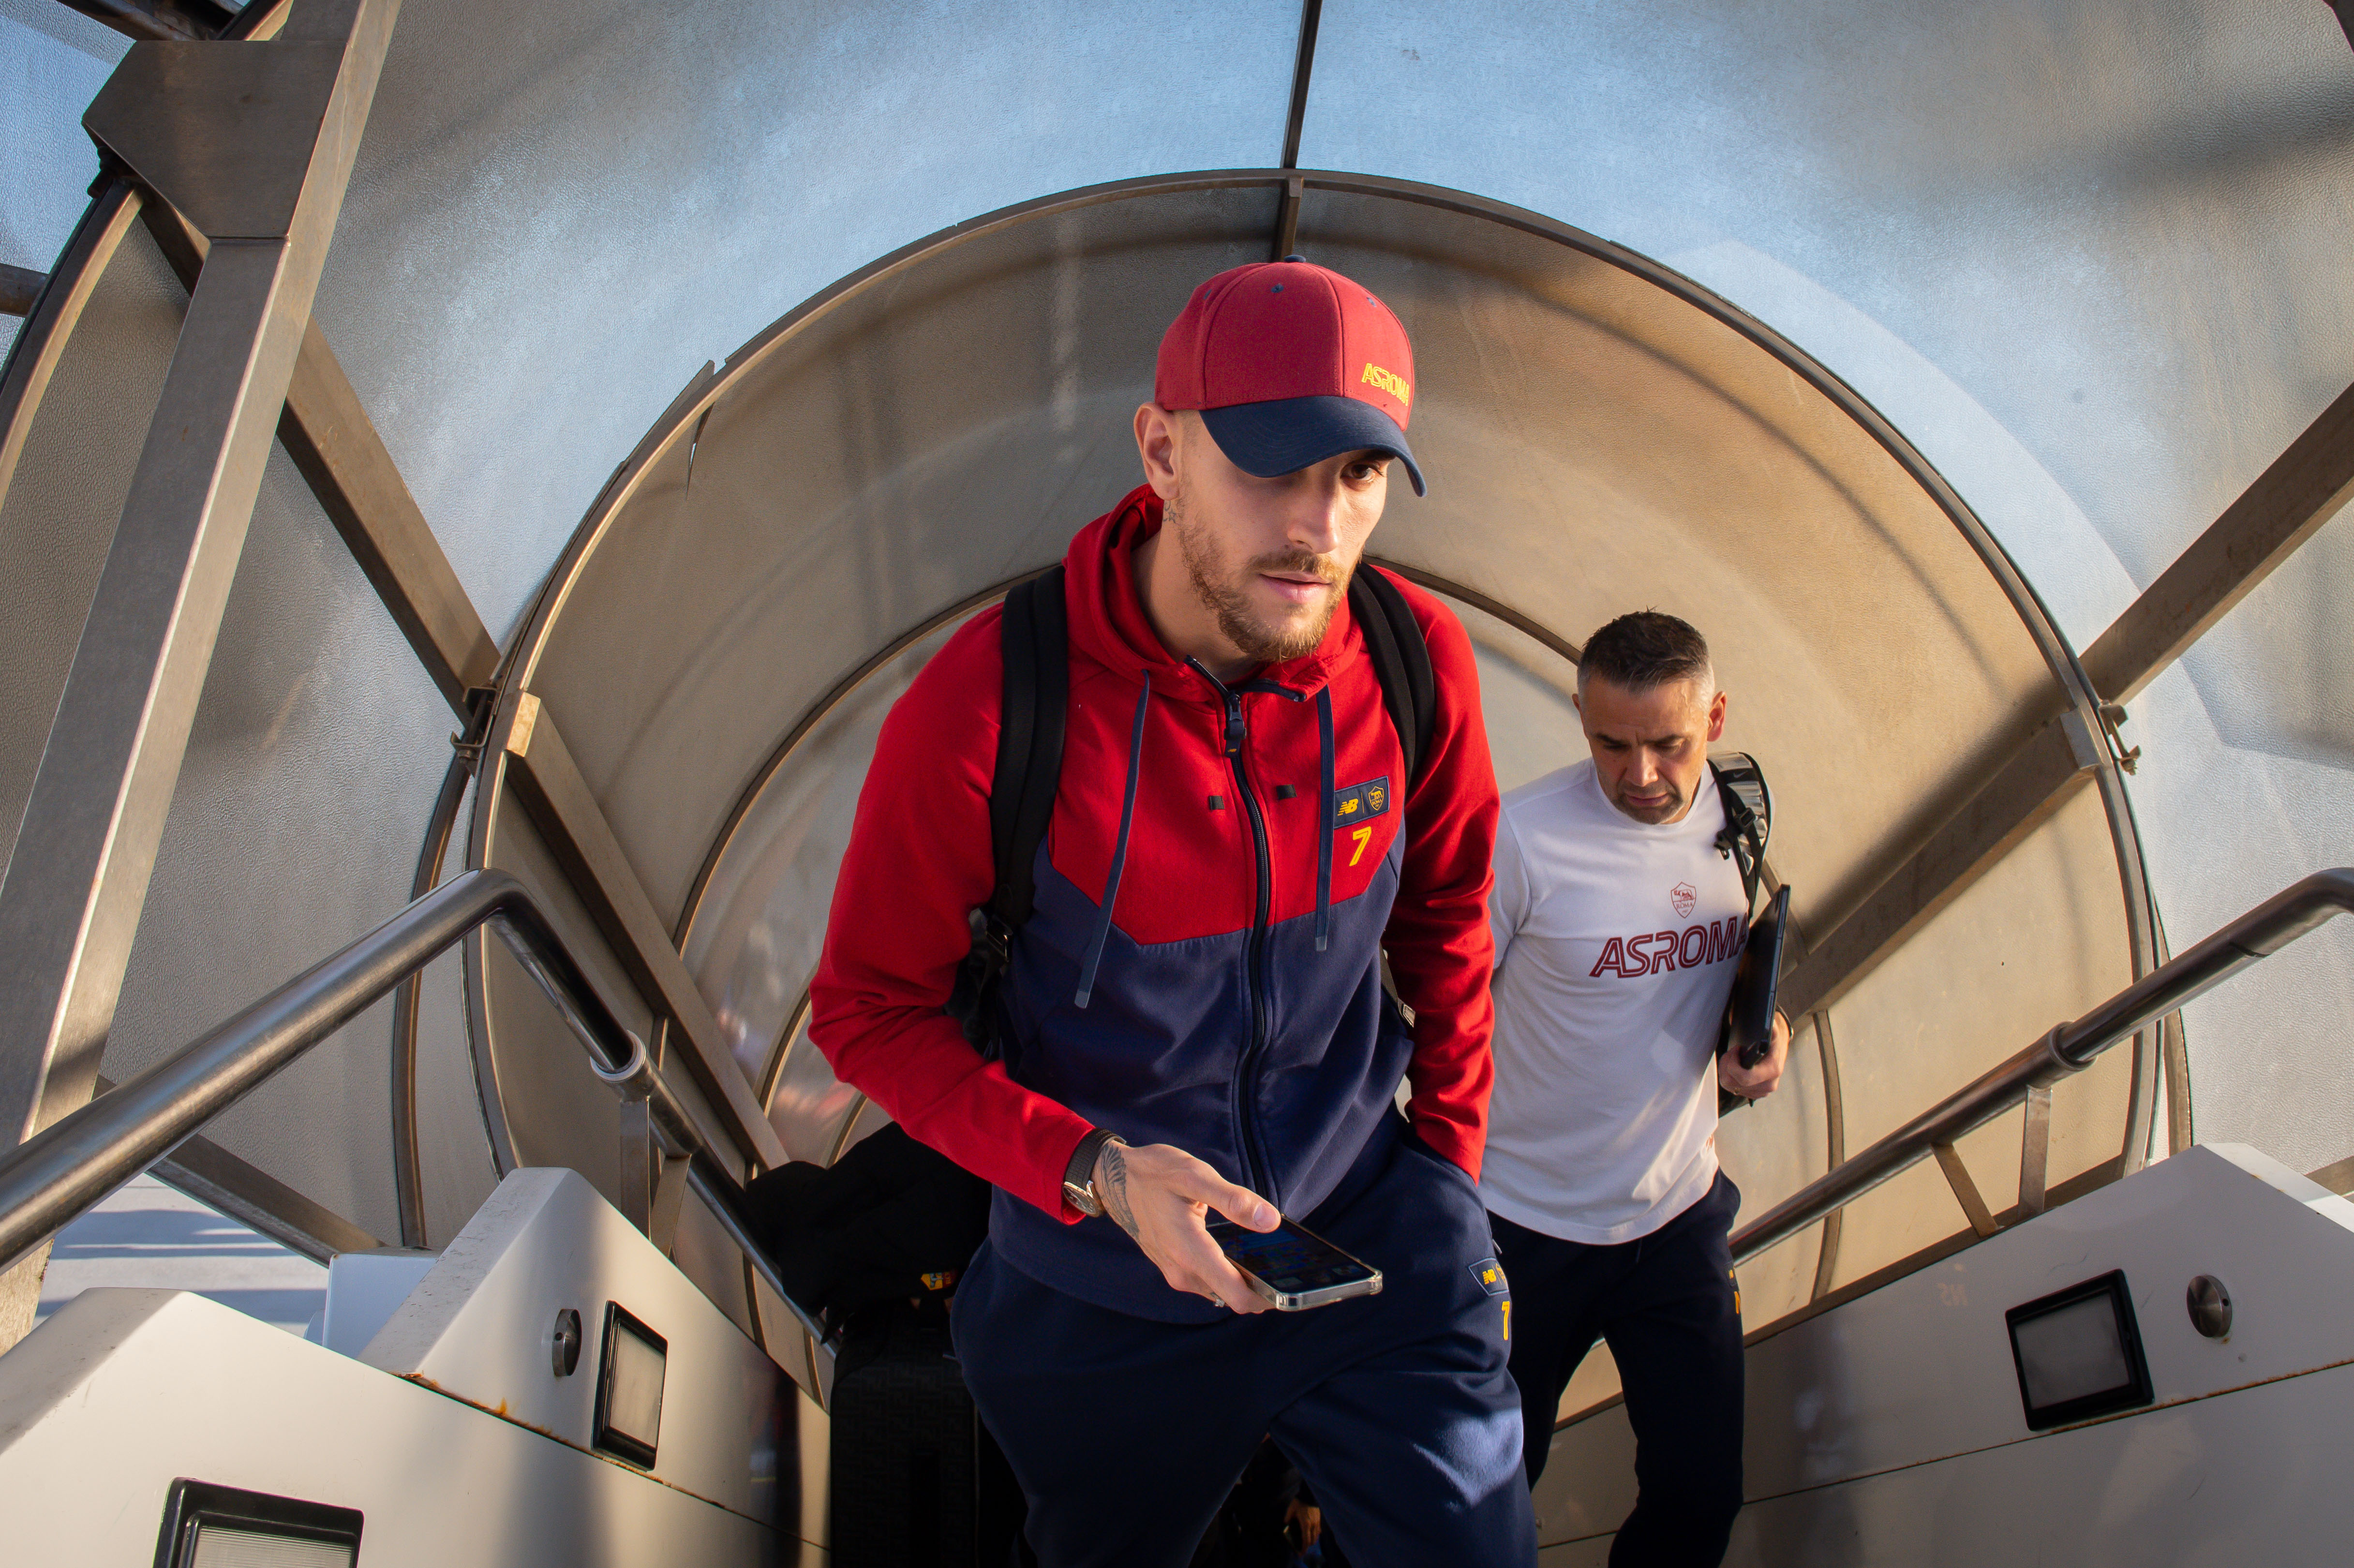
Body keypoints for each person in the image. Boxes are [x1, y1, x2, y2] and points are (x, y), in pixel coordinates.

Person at [809, 257, 1535, 1567]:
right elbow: (867, 1012)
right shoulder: (991, 704)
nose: (1317, 526)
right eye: (1269, 465)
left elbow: (1449, 925)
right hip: (1095, 1289)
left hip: (1365, 1243)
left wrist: (1448, 1177)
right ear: (1160, 450)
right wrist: (1090, 1172)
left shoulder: (1415, 660)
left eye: (1360, 474)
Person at [1482, 611, 1790, 1567]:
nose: (1642, 773)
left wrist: (1763, 1041)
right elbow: (1436, 1022)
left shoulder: (1737, 818)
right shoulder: (1521, 841)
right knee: (1481, 1499)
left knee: (1702, 1498)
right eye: (1611, 743)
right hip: (1520, 1224)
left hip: (1674, 1213)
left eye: (1669, 743)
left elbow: (1731, 979)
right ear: (1580, 716)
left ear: (1717, 716)